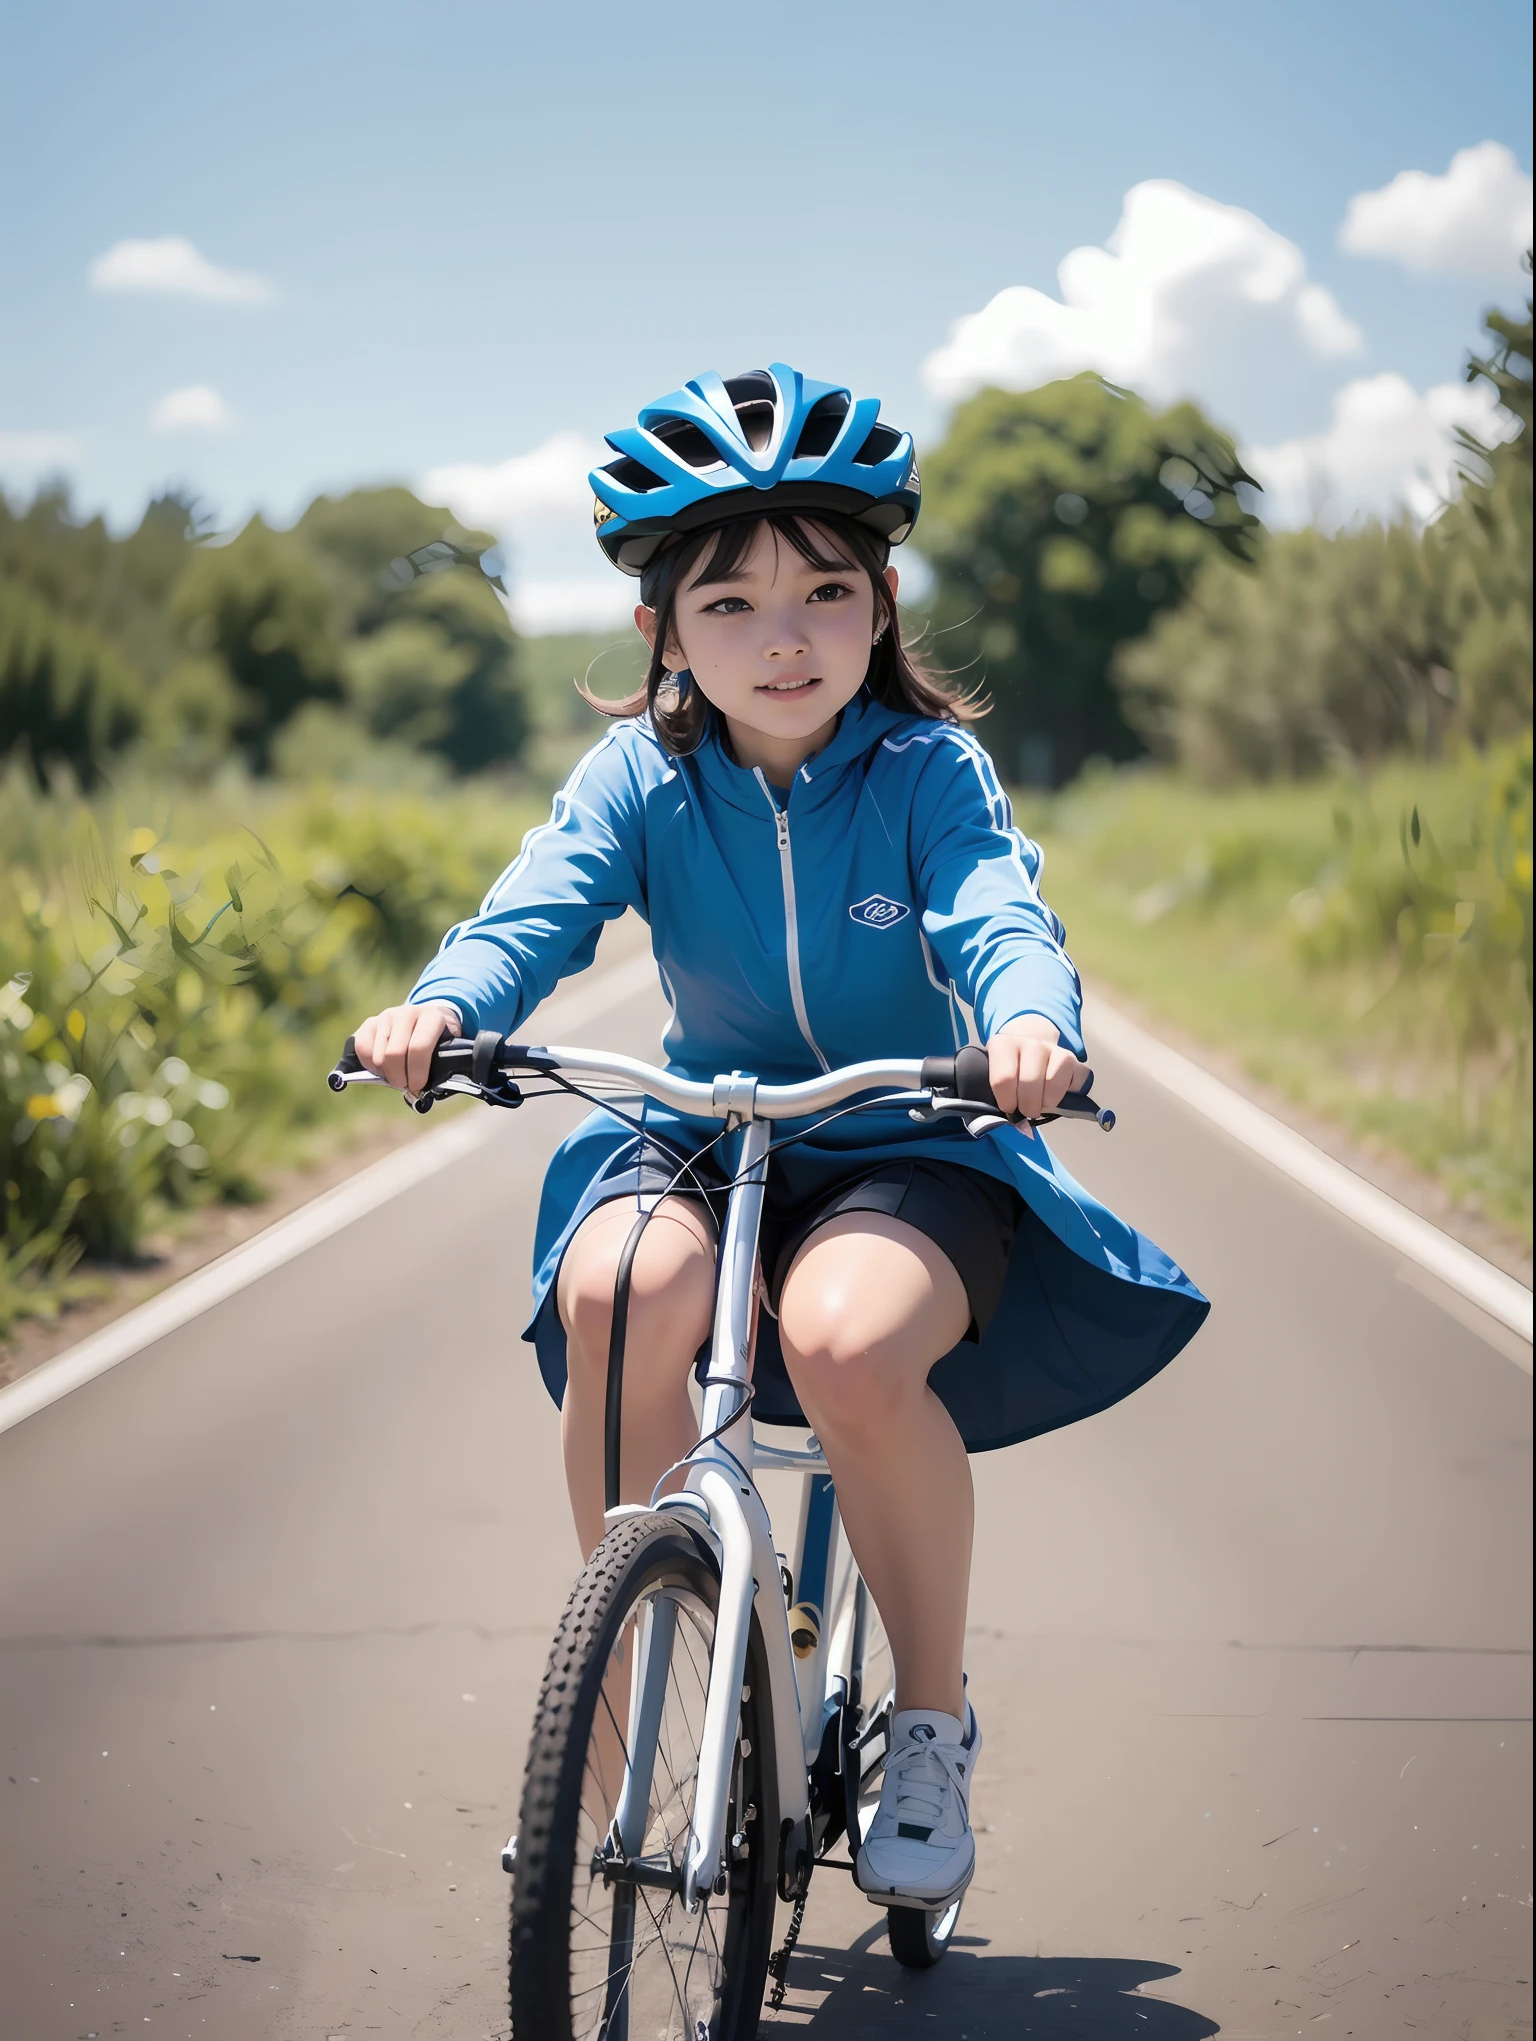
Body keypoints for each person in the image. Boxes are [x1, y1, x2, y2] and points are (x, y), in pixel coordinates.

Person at [352, 364, 1208, 1916]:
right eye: (733, 603)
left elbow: (1001, 911)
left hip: (909, 1140)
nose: (786, 636)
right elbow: (535, 908)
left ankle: (931, 1724)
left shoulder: (928, 773)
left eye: (826, 591)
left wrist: (1029, 1024)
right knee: (616, 1300)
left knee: (845, 1337)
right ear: (661, 630)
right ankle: (604, 1728)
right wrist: (443, 1005)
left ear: (882, 608)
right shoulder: (642, 777)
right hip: (698, 1127)